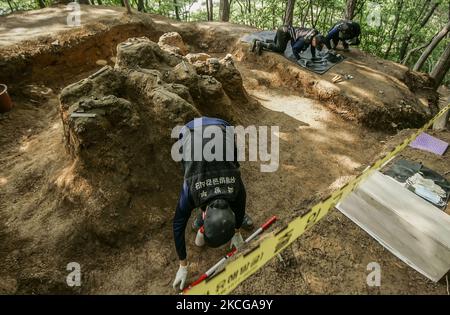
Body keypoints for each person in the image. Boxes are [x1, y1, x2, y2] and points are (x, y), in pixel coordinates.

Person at [172, 117, 253, 290]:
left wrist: (236, 232)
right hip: (190, 130)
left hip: (221, 129)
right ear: (204, 214)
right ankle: (203, 216)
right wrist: (183, 265)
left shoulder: (236, 187)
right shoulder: (190, 191)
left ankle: (205, 217)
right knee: (188, 169)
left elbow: (240, 210)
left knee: (233, 163)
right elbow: (177, 226)